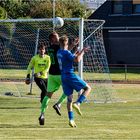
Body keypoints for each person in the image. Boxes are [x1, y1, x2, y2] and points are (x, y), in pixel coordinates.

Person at [38, 32, 79, 125]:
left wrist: (72, 45)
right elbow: (66, 50)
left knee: (48, 95)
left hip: (51, 75)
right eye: (57, 37)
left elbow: (64, 50)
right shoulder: (58, 48)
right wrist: (73, 45)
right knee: (68, 90)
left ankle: (42, 114)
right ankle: (58, 103)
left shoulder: (49, 48)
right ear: (52, 39)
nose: (59, 38)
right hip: (61, 74)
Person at [57, 35, 91, 127]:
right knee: (87, 88)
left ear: (59, 43)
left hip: (63, 77)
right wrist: (82, 52)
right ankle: (78, 103)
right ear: (67, 43)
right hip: (70, 75)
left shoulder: (59, 52)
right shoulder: (67, 53)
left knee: (69, 99)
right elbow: (77, 60)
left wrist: (75, 48)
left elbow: (68, 53)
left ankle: (71, 120)